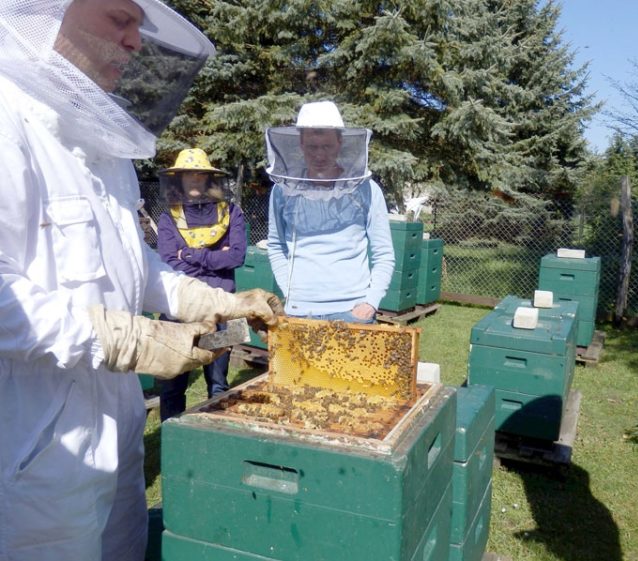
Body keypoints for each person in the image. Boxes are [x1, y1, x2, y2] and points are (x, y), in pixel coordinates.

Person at [0, 2, 282, 560]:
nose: (134, 42)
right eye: (117, 19)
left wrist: (209, 299)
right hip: (33, 447)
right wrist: (129, 339)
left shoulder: (105, 148)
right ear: (47, 14)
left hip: (118, 424)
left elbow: (135, 263)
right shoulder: (8, 124)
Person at [265, 100, 395, 322]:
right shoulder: (282, 191)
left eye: (327, 146)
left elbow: (384, 253)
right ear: (301, 145)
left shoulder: (367, 189)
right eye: (313, 147)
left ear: (340, 144)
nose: (320, 154)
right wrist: (290, 292)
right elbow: (276, 246)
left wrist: (371, 301)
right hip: (299, 310)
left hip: (353, 310)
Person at [157, 148, 247, 421]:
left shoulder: (232, 212)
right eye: (188, 175)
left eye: (200, 174)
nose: (194, 180)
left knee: (219, 384)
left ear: (210, 179)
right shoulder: (168, 217)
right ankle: (172, 448)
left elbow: (237, 256)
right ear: (178, 179)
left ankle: (216, 441)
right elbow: (169, 263)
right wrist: (215, 258)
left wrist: (192, 255)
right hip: (177, 314)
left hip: (222, 312)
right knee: (172, 386)